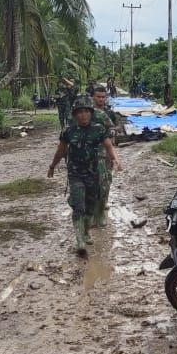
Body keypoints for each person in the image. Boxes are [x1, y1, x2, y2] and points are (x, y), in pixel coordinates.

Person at [47, 95, 121, 255]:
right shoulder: (68, 131)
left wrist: (115, 159)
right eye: (79, 112)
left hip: (93, 173)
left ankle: (86, 231)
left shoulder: (98, 129)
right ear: (75, 114)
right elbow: (61, 150)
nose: (83, 115)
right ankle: (79, 240)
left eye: (86, 112)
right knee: (78, 206)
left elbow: (108, 146)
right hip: (75, 175)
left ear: (91, 113)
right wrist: (53, 166)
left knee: (89, 208)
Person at [88, 84, 124, 228]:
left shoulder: (109, 114)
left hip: (105, 154)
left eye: (103, 97)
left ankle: (101, 208)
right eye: (98, 97)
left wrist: (109, 134)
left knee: (105, 181)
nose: (101, 100)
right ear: (93, 97)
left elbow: (117, 129)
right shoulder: (86, 112)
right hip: (88, 154)